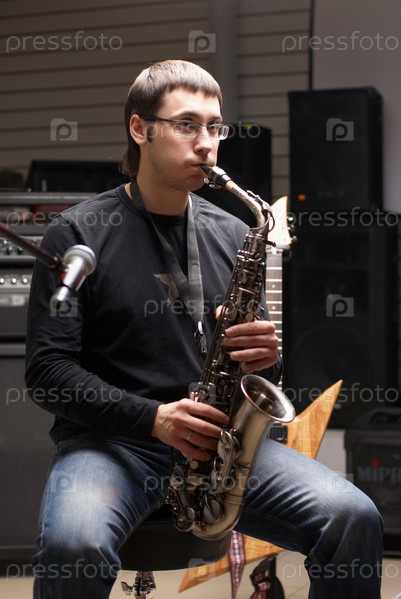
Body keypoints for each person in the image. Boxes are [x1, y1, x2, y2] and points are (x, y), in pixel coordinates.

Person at [25, 59, 383, 598]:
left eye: (215, 127)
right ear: (140, 129)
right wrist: (154, 419)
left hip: (221, 446)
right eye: (187, 125)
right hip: (112, 444)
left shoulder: (235, 232)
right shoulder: (78, 232)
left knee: (353, 518)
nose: (207, 144)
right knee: (73, 547)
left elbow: (255, 374)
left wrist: (266, 358)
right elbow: (47, 373)